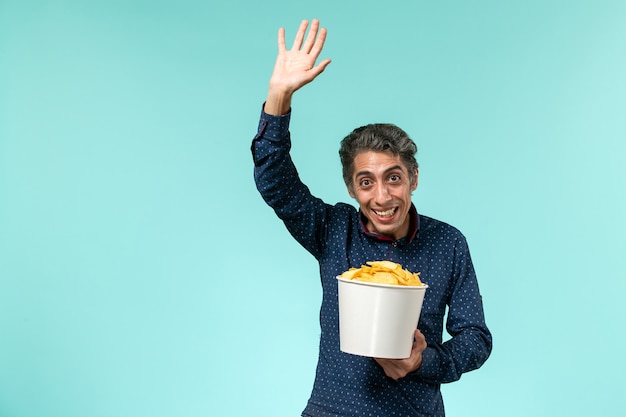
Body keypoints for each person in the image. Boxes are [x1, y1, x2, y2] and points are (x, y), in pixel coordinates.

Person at [252, 19, 492, 417]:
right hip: (331, 410)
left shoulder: (448, 242)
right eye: (366, 182)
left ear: (413, 178)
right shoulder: (333, 230)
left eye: (393, 178)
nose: (381, 196)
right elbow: (274, 181)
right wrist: (278, 97)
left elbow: (475, 338)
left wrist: (423, 361)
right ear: (350, 188)